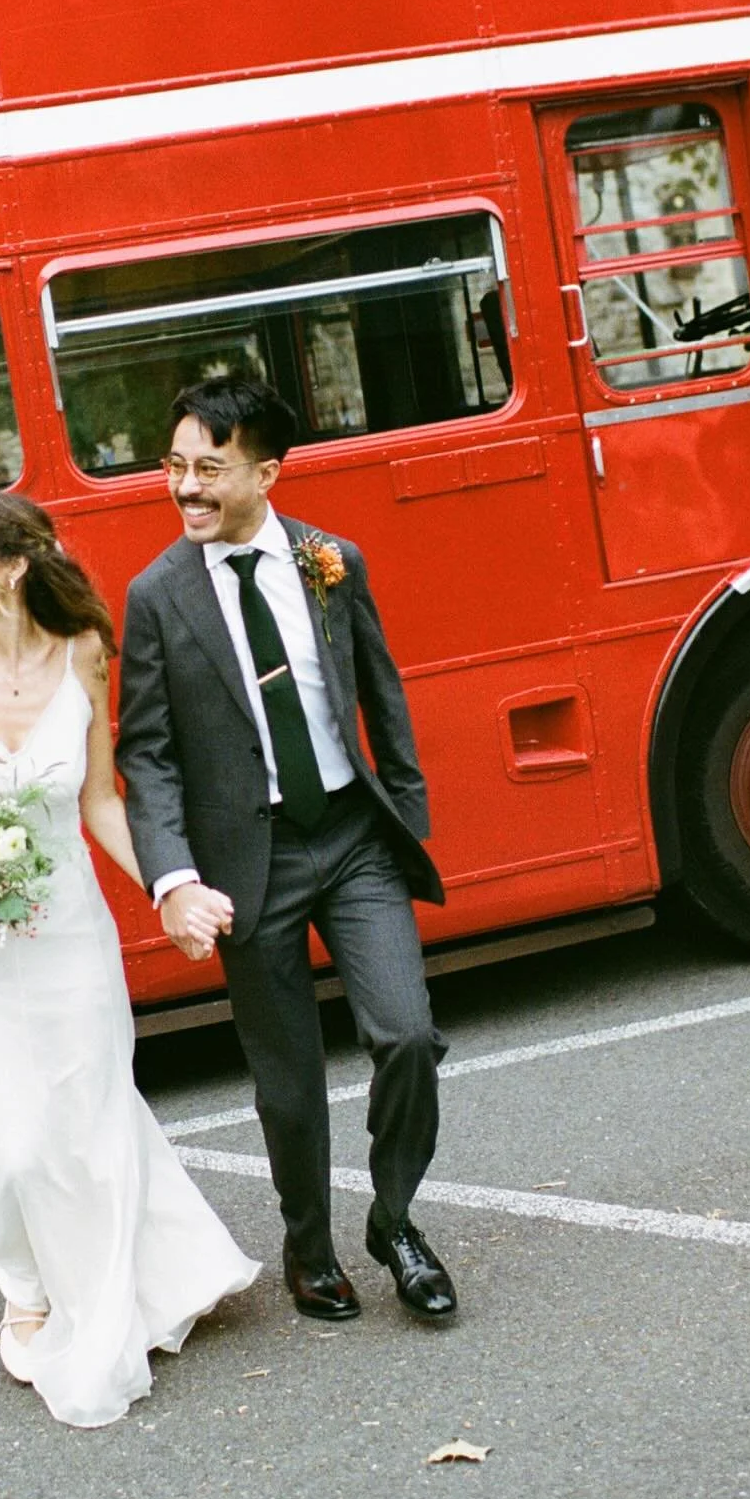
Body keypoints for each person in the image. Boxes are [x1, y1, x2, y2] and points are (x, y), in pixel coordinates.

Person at [0, 491, 258, 1429]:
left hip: (73, 944)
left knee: (89, 1128)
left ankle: (102, 1290)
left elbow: (100, 801)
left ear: (10, 569)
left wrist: (169, 888)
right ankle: (24, 1287)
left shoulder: (83, 653)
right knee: (6, 1152)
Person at [116, 376, 455, 1325]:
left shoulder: (329, 561)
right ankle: (309, 1246)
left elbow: (380, 692)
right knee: (290, 1085)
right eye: (174, 467)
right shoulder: (156, 596)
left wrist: (408, 817)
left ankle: (393, 1221)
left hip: (352, 837)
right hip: (245, 862)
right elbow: (144, 751)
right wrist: (175, 876)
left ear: (266, 471)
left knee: (408, 1037)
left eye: (209, 471)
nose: (185, 488)